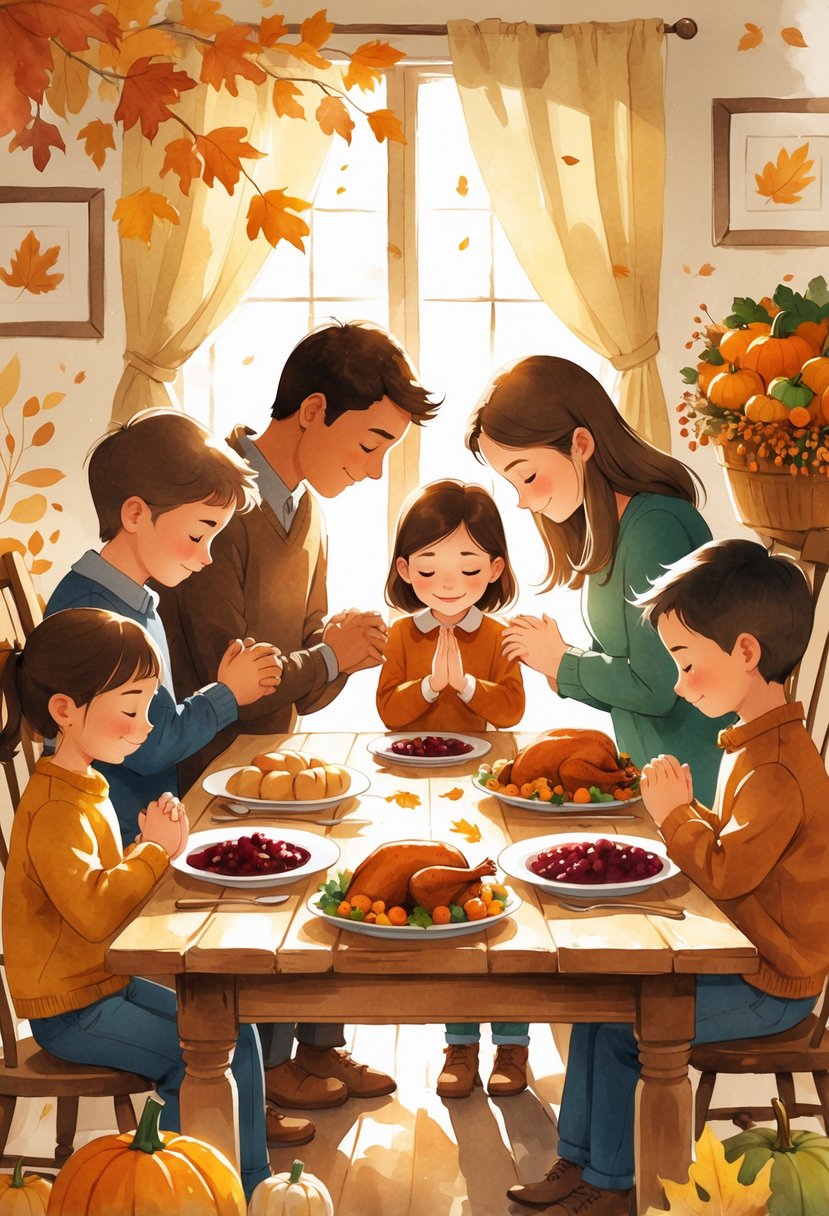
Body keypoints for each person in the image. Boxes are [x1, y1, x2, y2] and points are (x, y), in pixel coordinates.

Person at [159, 320, 441, 1127]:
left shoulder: (308, 513)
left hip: (264, 758)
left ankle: (315, 1046)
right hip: (204, 765)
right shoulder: (220, 502)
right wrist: (327, 657)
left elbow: (299, 689)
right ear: (313, 411)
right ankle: (267, 1064)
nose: (375, 469)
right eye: (369, 444)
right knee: (276, 888)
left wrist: (334, 656)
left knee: (347, 836)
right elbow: (229, 676)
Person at [509, 539, 829, 1216]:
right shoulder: (757, 744)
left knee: (626, 1029)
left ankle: (613, 1185)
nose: (679, 685)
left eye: (686, 664)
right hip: (750, 955)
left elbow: (728, 874)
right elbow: (744, 850)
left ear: (745, 653)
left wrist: (676, 818)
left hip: (772, 980)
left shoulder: (774, 766)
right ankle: (580, 1163)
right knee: (600, 1014)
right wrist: (691, 816)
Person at [0, 610, 272, 1201]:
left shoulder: (84, 785)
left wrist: (145, 849)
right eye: (131, 708)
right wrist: (150, 852)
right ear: (66, 711)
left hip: (104, 985)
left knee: (233, 1032)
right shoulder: (54, 808)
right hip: (69, 1009)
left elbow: (100, 882)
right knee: (192, 1058)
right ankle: (178, 1197)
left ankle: (250, 1184)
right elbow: (95, 911)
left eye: (149, 706)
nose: (144, 725)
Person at [466, 354, 732, 807]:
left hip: (688, 780)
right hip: (649, 771)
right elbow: (627, 680)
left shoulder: (655, 528)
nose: (525, 501)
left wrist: (564, 662)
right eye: (513, 486)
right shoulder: (615, 526)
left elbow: (660, 686)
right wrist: (560, 671)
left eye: (527, 476)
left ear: (582, 444)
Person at [45, 409, 283, 845]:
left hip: (148, 821)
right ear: (135, 514)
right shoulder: (98, 617)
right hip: (114, 838)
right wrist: (227, 693)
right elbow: (147, 745)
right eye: (198, 535)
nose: (207, 556)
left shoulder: (131, 601)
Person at [378, 479, 526, 1098]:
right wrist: (427, 688)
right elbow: (388, 709)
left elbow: (513, 707)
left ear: (492, 569)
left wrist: (465, 687)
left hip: (483, 788)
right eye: (431, 565)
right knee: (447, 909)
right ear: (406, 569)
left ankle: (513, 1047)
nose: (448, 581)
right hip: (419, 789)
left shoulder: (498, 636)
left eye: (467, 565)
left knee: (495, 905)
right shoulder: (400, 635)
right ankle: (459, 1040)